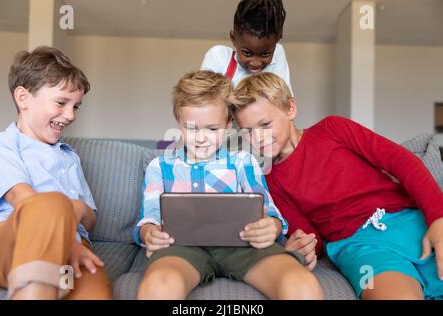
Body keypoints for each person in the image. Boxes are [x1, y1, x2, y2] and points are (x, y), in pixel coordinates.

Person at [232, 72, 443, 300]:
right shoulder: (270, 181)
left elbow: (403, 162)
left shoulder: (333, 129)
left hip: (410, 221)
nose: (257, 139)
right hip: (359, 249)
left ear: (290, 109)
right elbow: (310, 236)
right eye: (248, 132)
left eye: (265, 124)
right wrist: (304, 245)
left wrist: (438, 218)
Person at [133, 70, 322, 300]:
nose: (201, 138)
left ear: (229, 123)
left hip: (244, 246)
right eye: (191, 128)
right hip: (180, 249)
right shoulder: (159, 167)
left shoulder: (244, 163)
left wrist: (272, 226)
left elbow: (270, 212)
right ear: (178, 123)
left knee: (301, 285)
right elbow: (148, 217)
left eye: (212, 129)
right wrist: (149, 233)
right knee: (158, 287)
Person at [0, 46, 112, 300]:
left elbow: (89, 219)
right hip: (12, 240)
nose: (70, 115)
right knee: (51, 202)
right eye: (61, 103)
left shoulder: (69, 156)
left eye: (76, 106)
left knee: (95, 292)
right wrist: (66, 240)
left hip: (73, 248)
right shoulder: (1, 145)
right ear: (23, 98)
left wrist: (79, 209)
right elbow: (26, 200)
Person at [201, 0, 294, 94]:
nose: (255, 63)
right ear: (233, 39)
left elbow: (284, 102)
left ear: (277, 40)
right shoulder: (218, 57)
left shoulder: (278, 54)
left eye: (265, 54)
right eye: (247, 53)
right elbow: (202, 101)